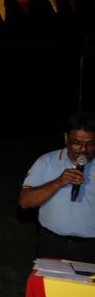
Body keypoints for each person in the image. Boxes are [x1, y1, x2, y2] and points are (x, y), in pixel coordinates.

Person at [20, 111, 95, 263]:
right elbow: (25, 202)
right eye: (76, 142)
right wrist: (58, 182)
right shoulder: (46, 161)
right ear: (66, 138)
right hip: (51, 243)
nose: (83, 149)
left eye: (90, 144)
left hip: (90, 248)